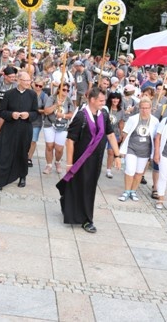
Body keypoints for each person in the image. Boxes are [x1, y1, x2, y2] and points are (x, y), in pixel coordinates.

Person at [58, 87, 121, 233]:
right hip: (81, 159)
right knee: (81, 186)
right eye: (101, 100)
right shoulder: (81, 116)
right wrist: (69, 163)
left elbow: (110, 134)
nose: (103, 103)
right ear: (91, 100)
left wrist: (117, 156)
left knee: (89, 187)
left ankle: (73, 207)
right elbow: (70, 141)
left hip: (96, 159)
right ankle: (87, 219)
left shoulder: (104, 115)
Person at [0, 71, 38, 192]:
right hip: (10, 128)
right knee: (3, 154)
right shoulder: (9, 94)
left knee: (22, 152)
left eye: (29, 80)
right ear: (19, 80)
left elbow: (36, 114)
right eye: (25, 80)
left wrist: (28, 114)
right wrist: (11, 114)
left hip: (25, 128)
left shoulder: (32, 95)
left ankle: (22, 176)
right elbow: (1, 111)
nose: (28, 83)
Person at [118, 97, 158, 202]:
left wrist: (154, 153)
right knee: (130, 170)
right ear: (139, 108)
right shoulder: (133, 119)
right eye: (142, 108)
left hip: (145, 150)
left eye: (147, 108)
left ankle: (133, 191)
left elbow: (155, 137)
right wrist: (123, 149)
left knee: (139, 172)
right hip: (132, 148)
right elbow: (125, 133)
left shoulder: (155, 121)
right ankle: (126, 190)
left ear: (151, 108)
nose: (144, 110)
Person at [42, 83, 75, 175]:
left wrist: (63, 115)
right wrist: (56, 105)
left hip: (62, 126)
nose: (65, 92)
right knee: (49, 146)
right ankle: (48, 165)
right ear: (59, 89)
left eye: (67, 90)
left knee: (59, 148)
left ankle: (57, 162)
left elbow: (72, 115)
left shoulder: (69, 101)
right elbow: (46, 111)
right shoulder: (52, 98)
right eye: (63, 89)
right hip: (50, 124)